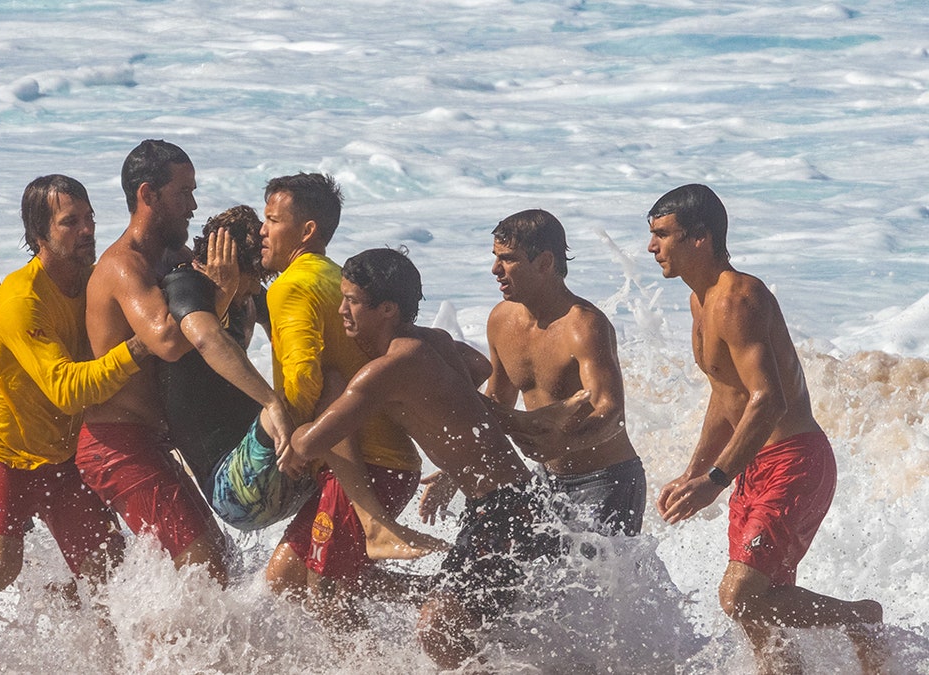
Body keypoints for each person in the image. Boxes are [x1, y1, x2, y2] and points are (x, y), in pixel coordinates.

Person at [287, 248, 578, 669]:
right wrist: (458, 447)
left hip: (503, 511)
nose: (341, 309)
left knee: (438, 629)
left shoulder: (387, 369)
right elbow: (479, 369)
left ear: (386, 309)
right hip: (512, 503)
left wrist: (289, 427)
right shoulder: (433, 342)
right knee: (452, 619)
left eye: (351, 300)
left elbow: (310, 444)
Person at [0, 175, 145, 674]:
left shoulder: (93, 281)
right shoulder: (19, 299)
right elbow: (67, 387)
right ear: (40, 235)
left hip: (60, 455)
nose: (87, 230)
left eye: (89, 218)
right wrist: (136, 351)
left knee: (110, 571)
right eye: (70, 222)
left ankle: (110, 664)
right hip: (2, 450)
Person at [648, 184, 886, 673]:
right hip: (754, 465)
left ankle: (860, 618)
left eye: (662, 235)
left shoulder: (738, 298)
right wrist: (695, 470)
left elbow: (769, 399)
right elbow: (725, 394)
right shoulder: (700, 303)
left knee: (739, 596)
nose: (652, 247)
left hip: (794, 461)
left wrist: (714, 479)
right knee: (762, 612)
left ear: (701, 239)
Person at [259, 173, 443, 629]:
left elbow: (305, 378)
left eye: (271, 220)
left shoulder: (289, 286)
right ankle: (440, 596)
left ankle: (447, 599)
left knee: (325, 593)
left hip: (366, 463)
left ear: (307, 230)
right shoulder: (338, 279)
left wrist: (288, 435)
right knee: (288, 577)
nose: (262, 231)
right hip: (374, 462)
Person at [78, 140, 233, 587]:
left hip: (152, 441)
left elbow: (219, 337)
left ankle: (160, 652)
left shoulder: (171, 259)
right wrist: (220, 295)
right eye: (183, 193)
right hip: (115, 444)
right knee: (206, 568)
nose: (193, 205)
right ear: (148, 195)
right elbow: (166, 339)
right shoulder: (122, 266)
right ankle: (158, 658)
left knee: (217, 565)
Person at [479, 209, 646, 537]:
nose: (495, 270)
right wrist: (457, 467)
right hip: (545, 480)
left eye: (508, 259)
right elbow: (496, 400)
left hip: (606, 480)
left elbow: (611, 413)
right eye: (496, 258)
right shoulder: (501, 320)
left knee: (597, 588)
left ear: (544, 263)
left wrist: (564, 443)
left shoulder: (584, 326)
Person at [156, 205, 308, 529]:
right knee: (293, 403)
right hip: (231, 487)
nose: (256, 290)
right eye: (254, 279)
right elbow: (205, 340)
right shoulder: (184, 284)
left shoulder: (250, 297)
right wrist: (272, 403)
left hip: (271, 471)